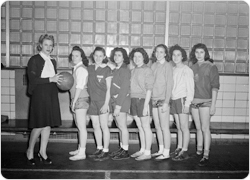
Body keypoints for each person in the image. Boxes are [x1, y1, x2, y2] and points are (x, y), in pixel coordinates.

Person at [26, 34, 62, 165]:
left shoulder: (52, 61)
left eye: (51, 45)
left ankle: (42, 152)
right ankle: (30, 151)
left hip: (51, 94)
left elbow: (54, 79)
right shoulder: (34, 60)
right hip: (39, 95)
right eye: (46, 44)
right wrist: (50, 79)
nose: (48, 47)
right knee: (38, 125)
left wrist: (60, 81)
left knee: (47, 125)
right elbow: (33, 80)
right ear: (40, 45)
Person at [189, 43, 220, 166]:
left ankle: (206, 154)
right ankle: (199, 151)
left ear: (205, 53)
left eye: (201, 52)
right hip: (194, 102)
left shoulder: (212, 67)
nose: (199, 55)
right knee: (198, 128)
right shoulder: (193, 67)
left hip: (206, 102)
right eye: (196, 52)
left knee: (205, 128)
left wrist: (213, 105)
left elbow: (215, 87)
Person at [168, 44, 194, 161]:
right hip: (174, 100)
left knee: (184, 127)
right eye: (174, 55)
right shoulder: (172, 69)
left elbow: (191, 88)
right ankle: (179, 147)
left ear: (183, 56)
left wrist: (188, 103)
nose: (176, 57)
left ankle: (185, 150)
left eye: (178, 55)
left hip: (182, 99)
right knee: (178, 126)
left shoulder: (187, 70)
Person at [87, 47, 113, 161]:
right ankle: (99, 148)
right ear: (93, 56)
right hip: (92, 101)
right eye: (96, 55)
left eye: (100, 56)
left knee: (104, 126)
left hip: (103, 101)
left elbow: (109, 89)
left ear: (104, 57)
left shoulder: (107, 69)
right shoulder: (89, 68)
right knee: (95, 126)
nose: (98, 58)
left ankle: (106, 151)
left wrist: (106, 104)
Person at [129, 47, 154, 161]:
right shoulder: (133, 70)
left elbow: (149, 89)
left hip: (143, 100)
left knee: (145, 127)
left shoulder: (147, 70)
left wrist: (145, 106)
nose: (137, 59)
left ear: (144, 57)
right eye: (135, 56)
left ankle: (148, 152)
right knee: (140, 127)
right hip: (133, 100)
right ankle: (142, 149)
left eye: (139, 56)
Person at [150, 44, 174, 160]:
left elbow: (169, 85)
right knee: (157, 126)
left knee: (164, 127)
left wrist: (166, 102)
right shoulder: (153, 65)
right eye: (157, 52)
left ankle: (166, 152)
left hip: (163, 99)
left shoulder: (168, 66)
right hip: (153, 99)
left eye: (161, 52)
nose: (159, 54)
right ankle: (160, 149)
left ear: (165, 54)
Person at [109, 47, 131, 160]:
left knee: (122, 126)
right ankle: (122, 148)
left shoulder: (124, 70)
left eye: (119, 55)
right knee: (119, 126)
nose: (116, 57)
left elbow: (124, 89)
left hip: (121, 102)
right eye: (115, 55)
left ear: (124, 58)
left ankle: (126, 151)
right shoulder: (116, 69)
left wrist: (118, 106)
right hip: (115, 101)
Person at [68, 46, 89, 161]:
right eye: (73, 55)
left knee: (81, 127)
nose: (74, 57)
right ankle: (80, 148)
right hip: (78, 99)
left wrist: (74, 101)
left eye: (77, 55)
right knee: (79, 126)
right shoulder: (76, 68)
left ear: (81, 57)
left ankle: (82, 152)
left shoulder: (81, 69)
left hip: (81, 100)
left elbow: (80, 87)